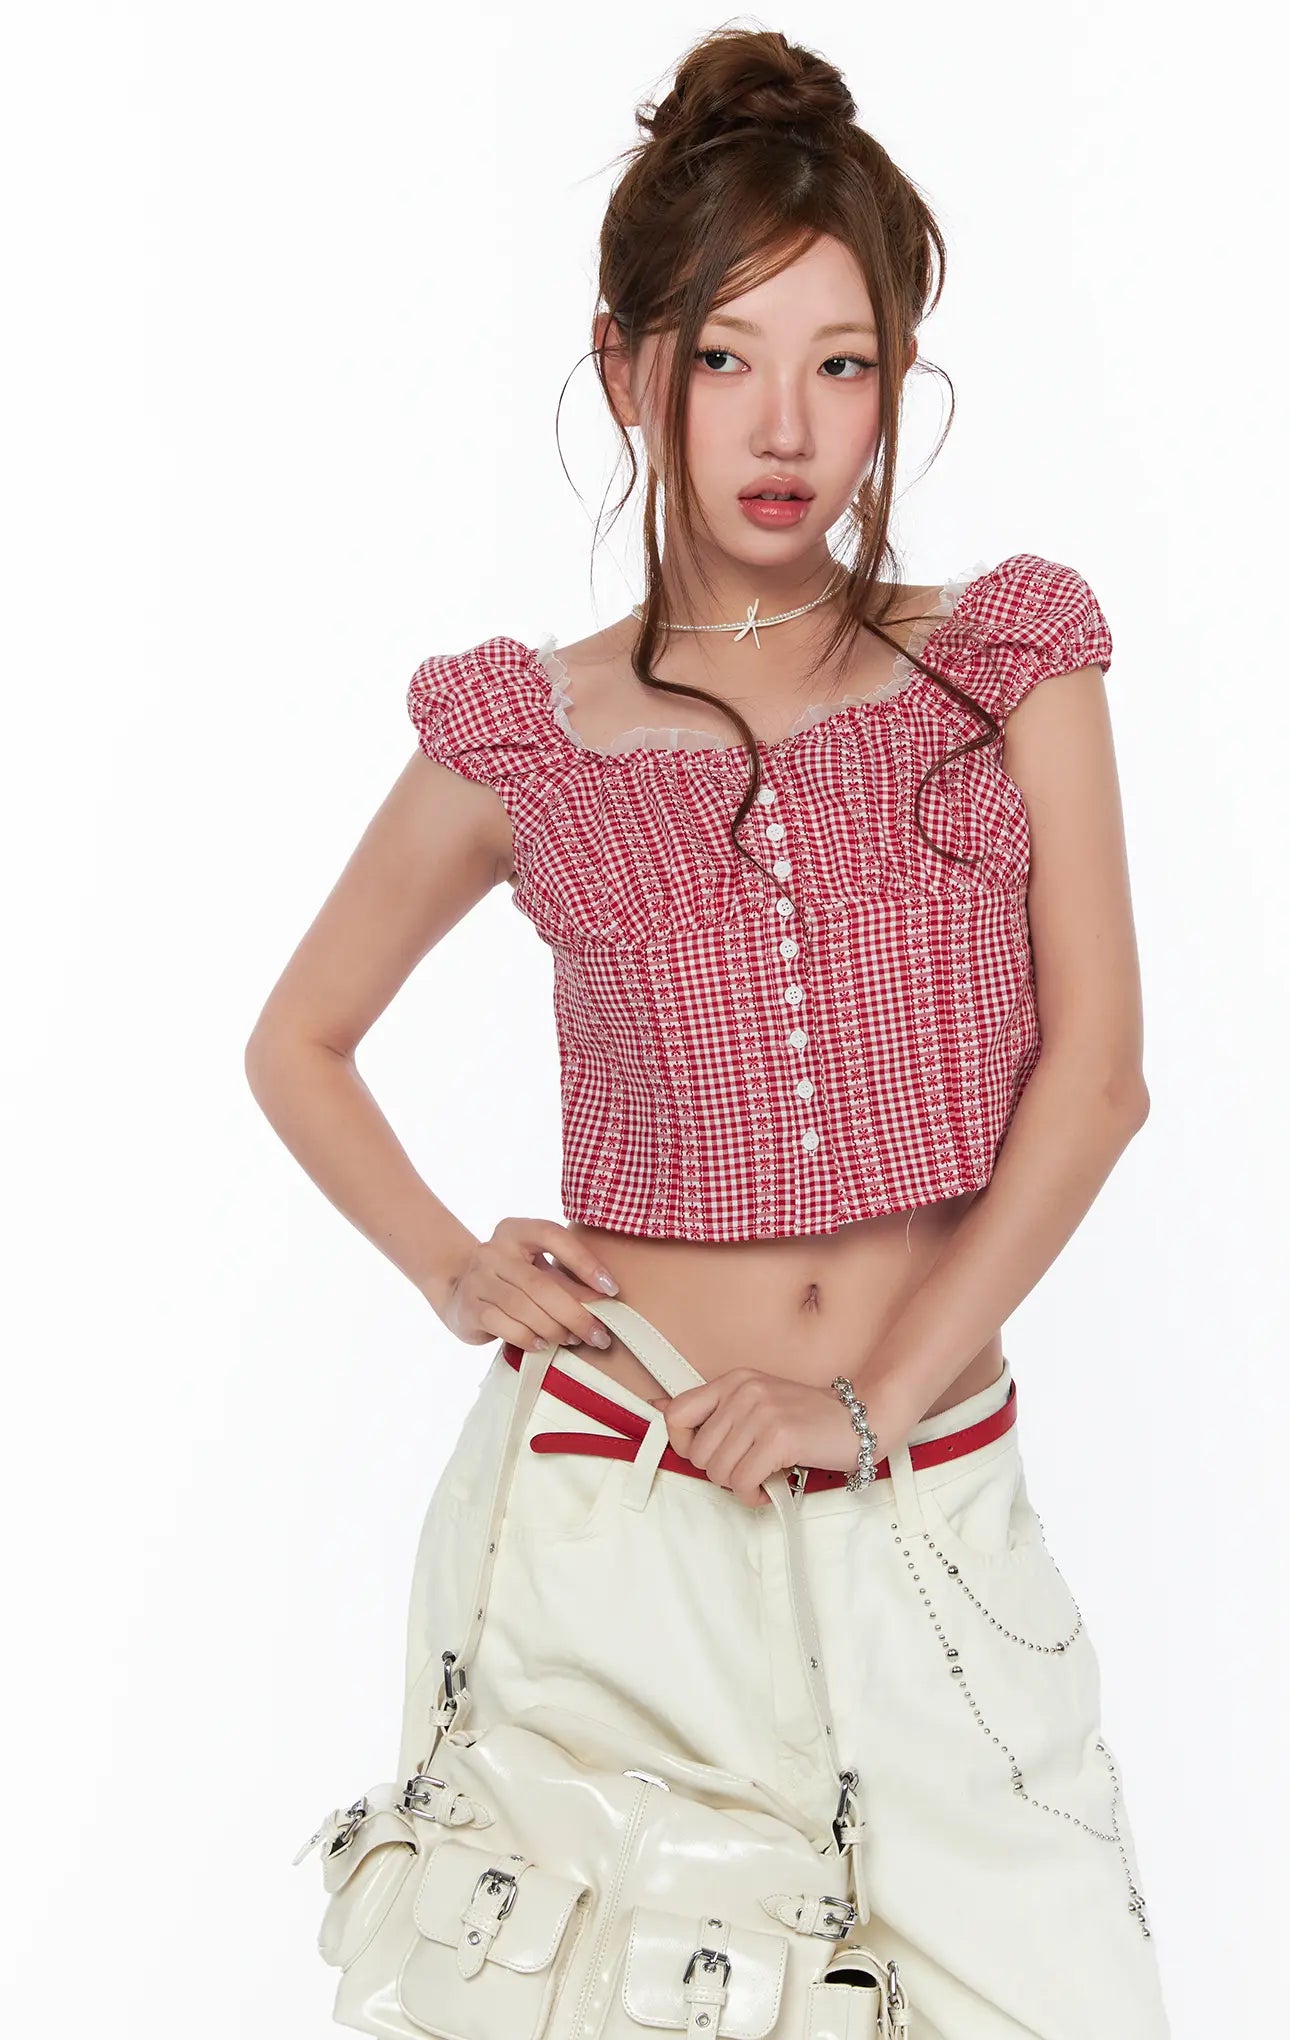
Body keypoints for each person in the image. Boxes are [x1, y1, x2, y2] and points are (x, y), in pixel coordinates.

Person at [248, 25, 1173, 2039]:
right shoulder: (530, 734)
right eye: (726, 356)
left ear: (897, 382)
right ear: (626, 371)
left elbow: (1099, 1080)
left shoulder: (1005, 669)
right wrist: (451, 1265)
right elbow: (299, 1040)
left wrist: (874, 1404)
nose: (785, 425)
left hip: (932, 1507)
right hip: (619, 1518)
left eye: (842, 364)